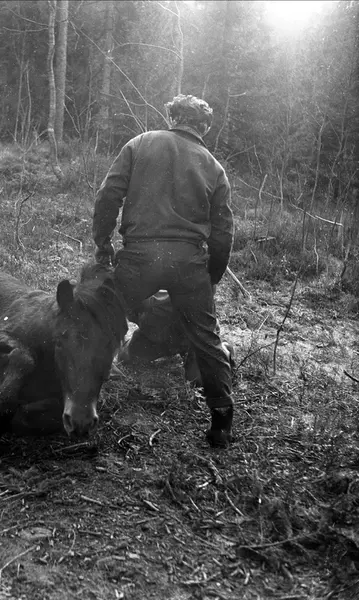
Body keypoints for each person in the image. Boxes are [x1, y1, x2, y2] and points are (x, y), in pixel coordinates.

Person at [92, 94, 234, 447]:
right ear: (205, 127)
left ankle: (82, 392)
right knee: (207, 337)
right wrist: (209, 278)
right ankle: (221, 422)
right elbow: (223, 234)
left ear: (172, 118)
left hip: (138, 257)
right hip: (188, 263)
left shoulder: (140, 143)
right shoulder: (214, 167)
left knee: (99, 316)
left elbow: (108, 196)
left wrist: (103, 244)